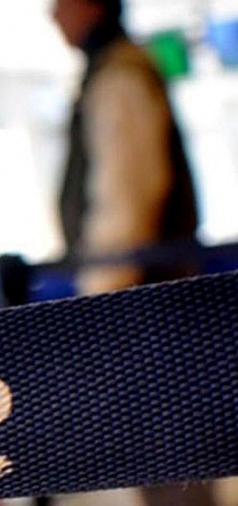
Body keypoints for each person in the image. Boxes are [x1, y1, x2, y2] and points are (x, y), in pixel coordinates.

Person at [52, 2, 210, 506]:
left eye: (59, 3)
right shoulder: (115, 69)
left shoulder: (119, 73)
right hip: (148, 302)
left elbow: (126, 206)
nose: (53, 16)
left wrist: (95, 306)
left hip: (146, 307)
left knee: (171, 458)